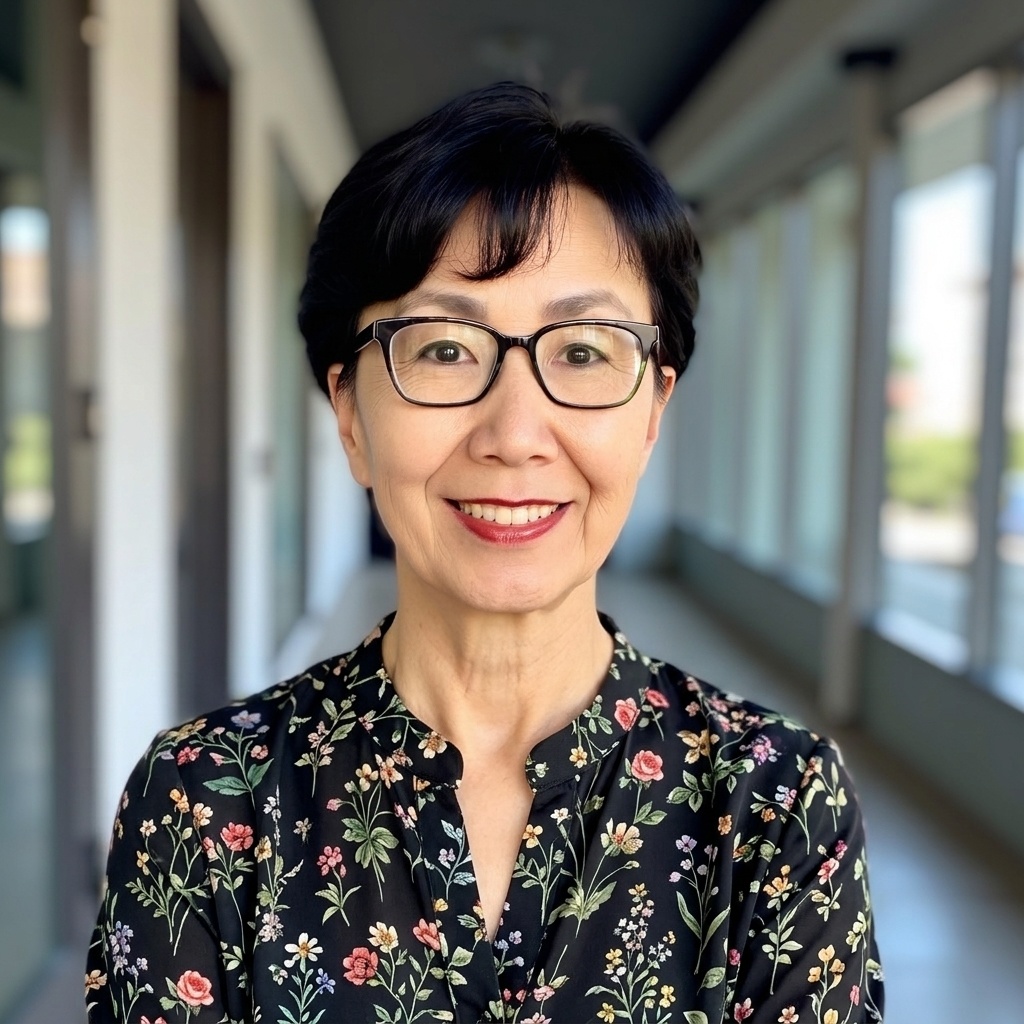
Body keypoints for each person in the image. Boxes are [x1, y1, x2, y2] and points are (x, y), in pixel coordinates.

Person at [87, 83, 883, 1024]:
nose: (514, 435)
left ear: (652, 413)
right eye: (444, 349)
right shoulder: (204, 800)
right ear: (350, 415)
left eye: (583, 351)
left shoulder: (774, 806)